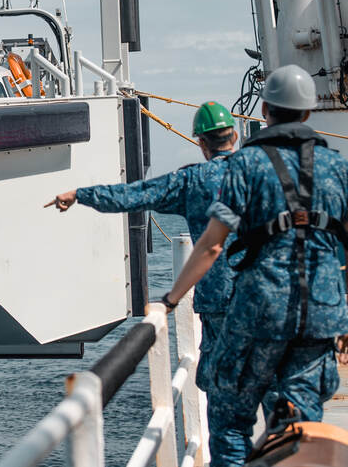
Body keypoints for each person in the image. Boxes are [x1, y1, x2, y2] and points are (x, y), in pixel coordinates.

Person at [159, 64, 348, 467]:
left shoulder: (246, 167)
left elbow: (211, 245)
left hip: (256, 314)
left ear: (264, 110)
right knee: (298, 423)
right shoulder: (338, 168)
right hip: (320, 315)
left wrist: (170, 300)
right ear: (307, 111)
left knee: (231, 422)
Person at [47, 100, 239, 373]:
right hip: (267, 295)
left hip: (220, 303)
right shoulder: (263, 171)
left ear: (201, 143)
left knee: (222, 382)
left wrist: (81, 194)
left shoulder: (194, 181)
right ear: (235, 136)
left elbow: (135, 195)